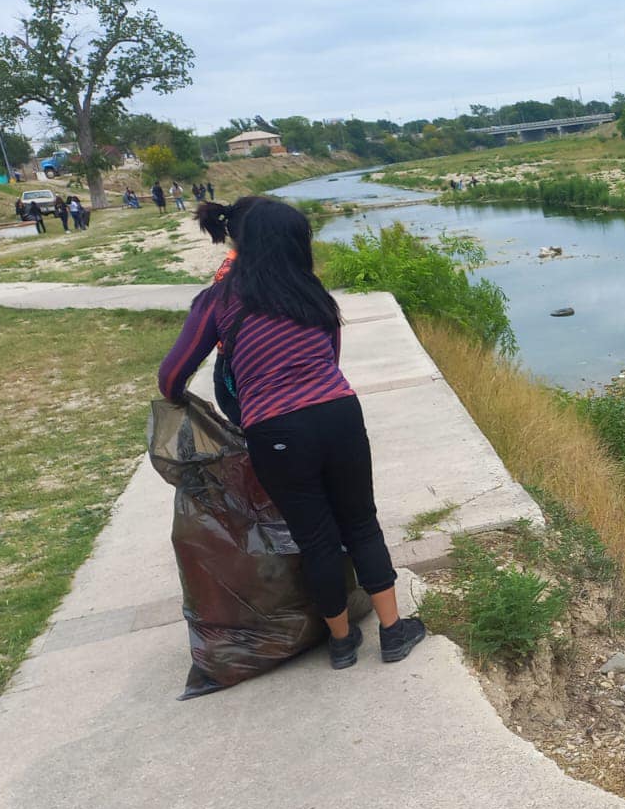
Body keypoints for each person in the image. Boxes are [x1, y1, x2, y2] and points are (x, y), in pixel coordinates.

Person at [157, 197, 426, 669]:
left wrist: (188, 401)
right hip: (339, 414)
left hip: (275, 431)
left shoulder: (218, 300)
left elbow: (172, 375)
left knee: (314, 536)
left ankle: (341, 643)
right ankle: (393, 632)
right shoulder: (312, 293)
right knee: (361, 522)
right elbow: (330, 359)